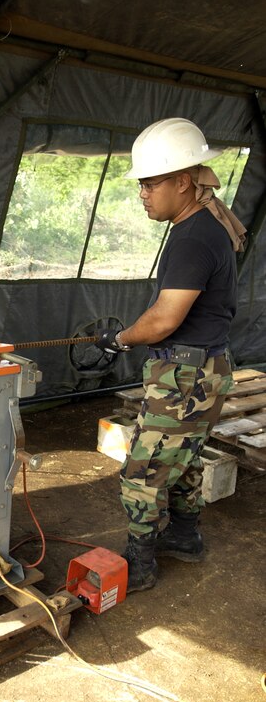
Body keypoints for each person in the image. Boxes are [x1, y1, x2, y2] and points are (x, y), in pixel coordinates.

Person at [96, 117, 246, 593]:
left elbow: (164, 318)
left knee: (140, 474)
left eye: (150, 182)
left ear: (183, 182)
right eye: (141, 183)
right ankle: (185, 536)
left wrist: (120, 340)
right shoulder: (204, 225)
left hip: (186, 374)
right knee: (183, 460)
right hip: (204, 368)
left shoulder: (193, 238)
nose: (142, 192)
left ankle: (140, 565)